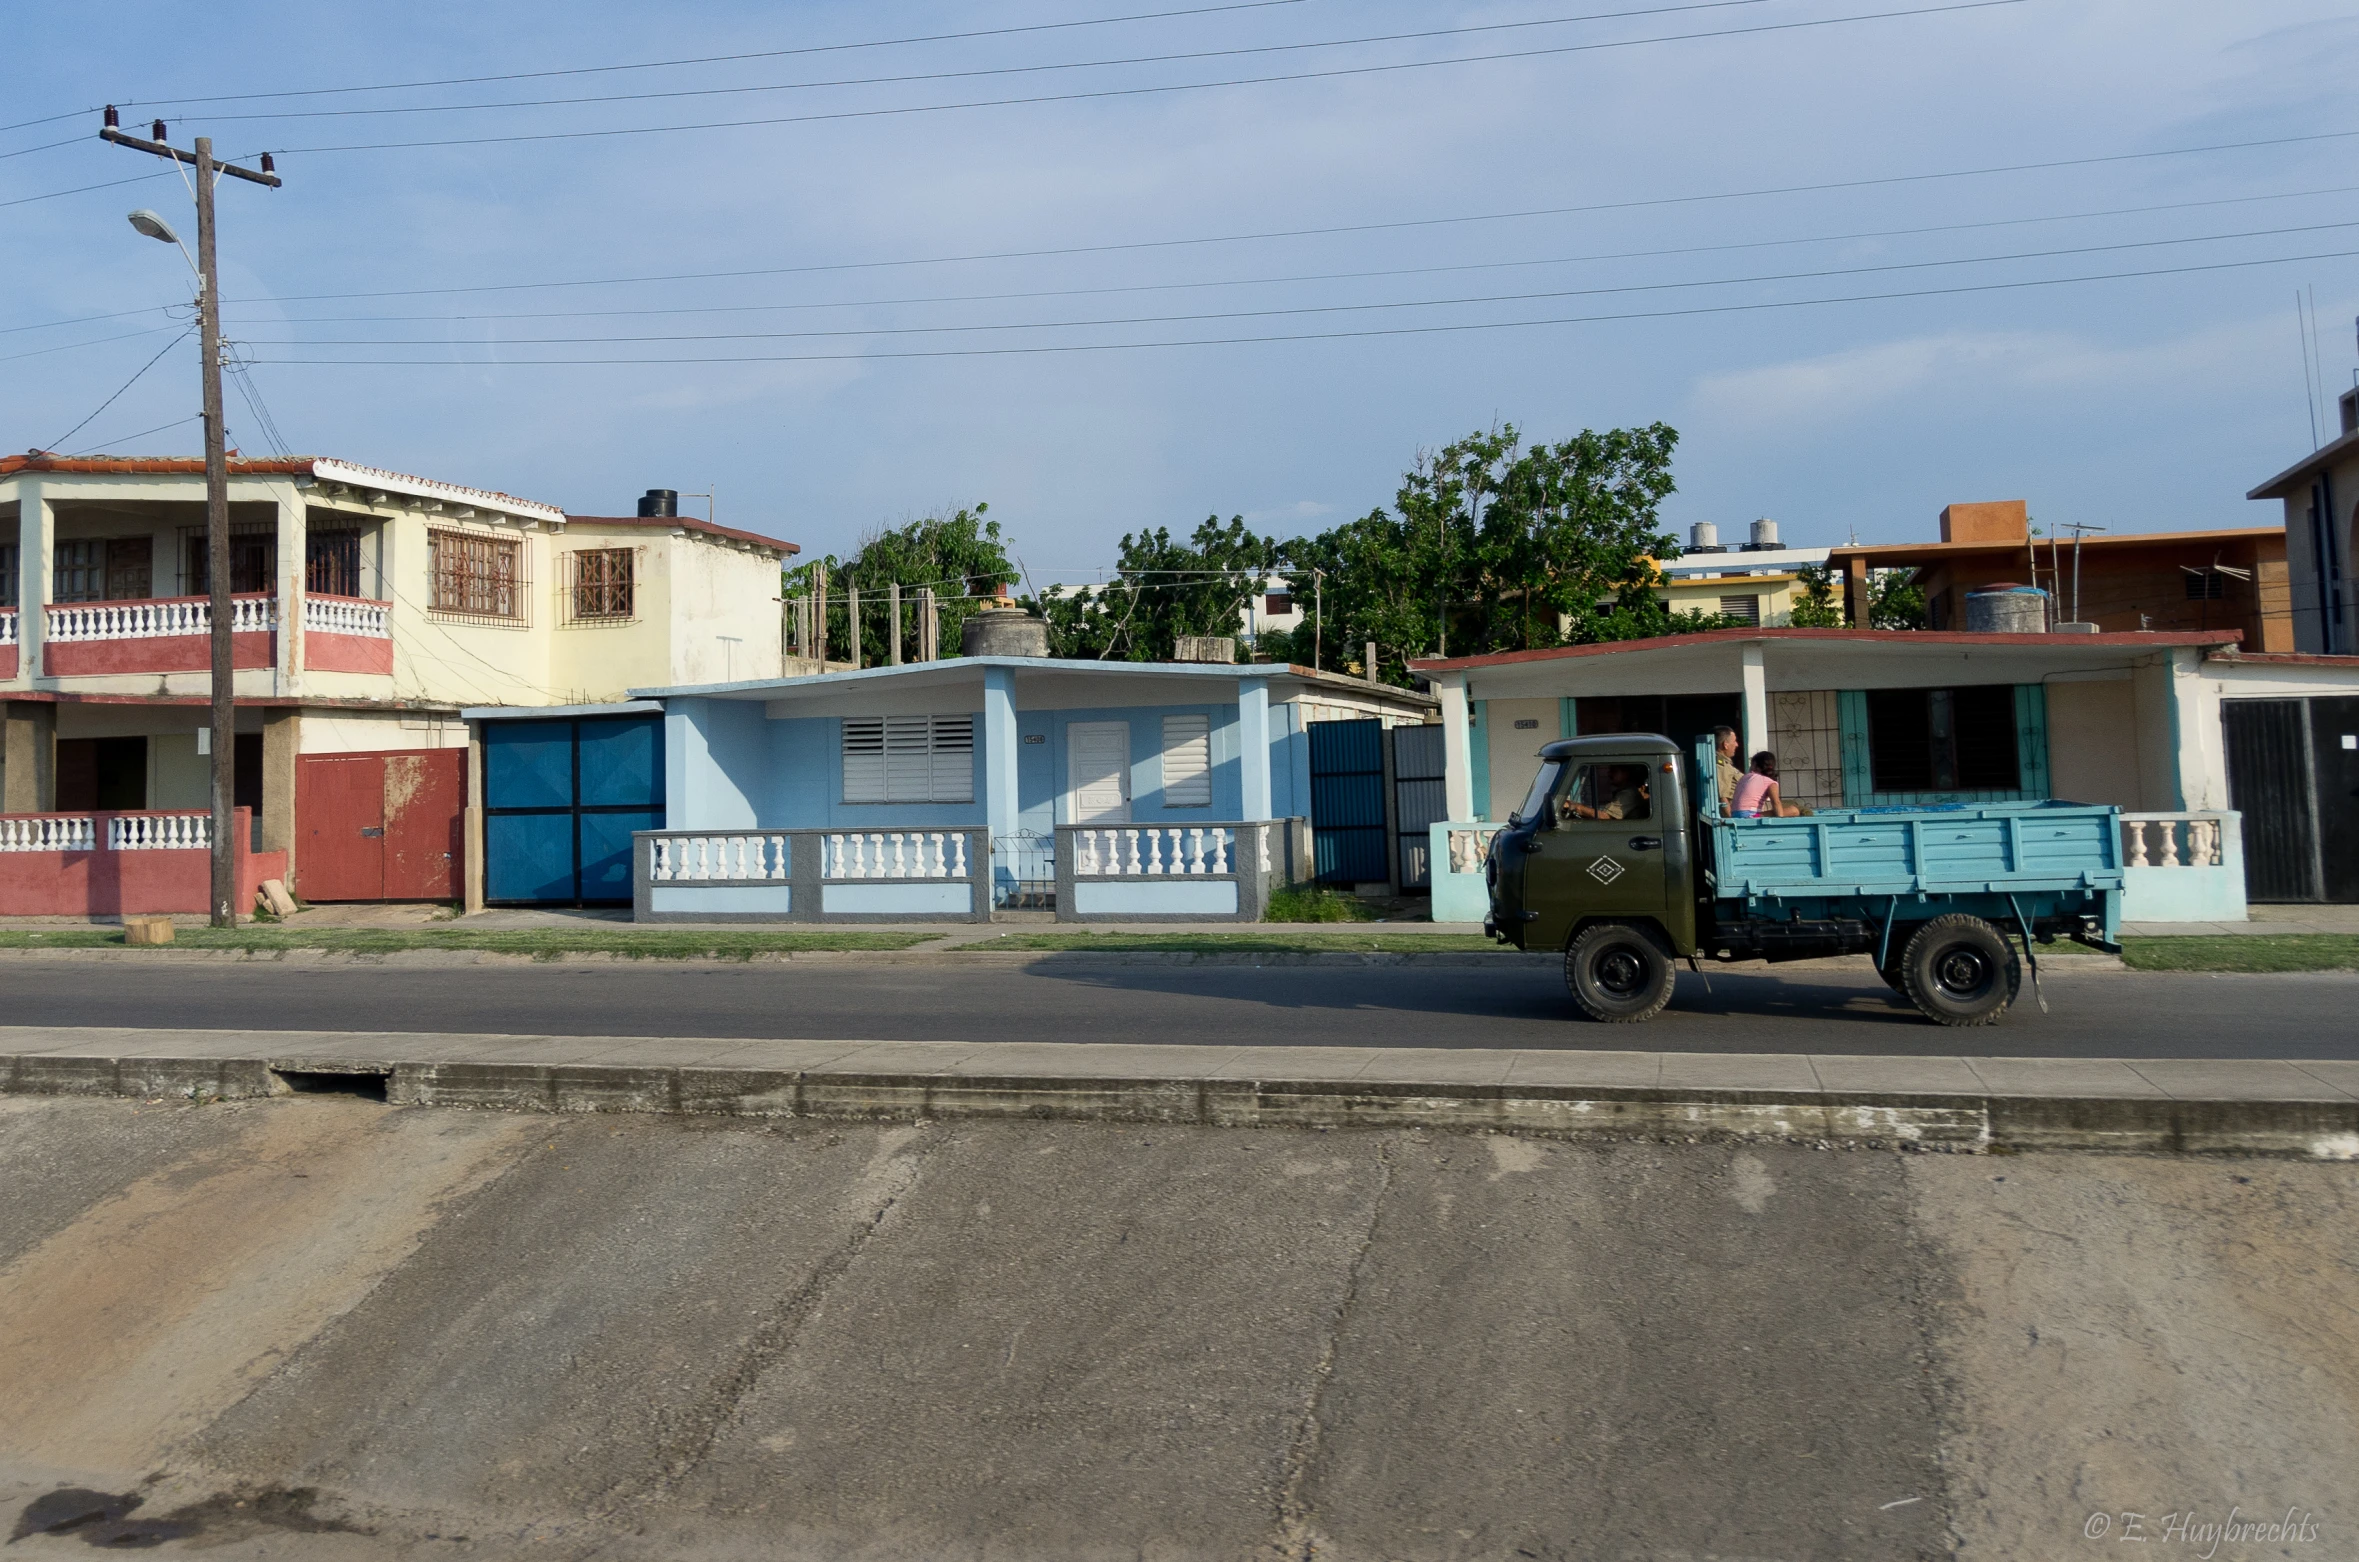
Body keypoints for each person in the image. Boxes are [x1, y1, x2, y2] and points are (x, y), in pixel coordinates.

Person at [1730, 752, 1804, 818]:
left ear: (1755, 765)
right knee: (1794, 810)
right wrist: (1780, 816)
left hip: (1734, 814)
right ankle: (1756, 816)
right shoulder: (1770, 782)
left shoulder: (1745, 777)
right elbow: (1776, 803)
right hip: (1750, 814)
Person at [1712, 725, 1743, 814]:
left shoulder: (1726, 764)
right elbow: (1723, 797)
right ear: (1725, 745)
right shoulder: (1722, 766)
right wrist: (1731, 821)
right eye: (1734, 741)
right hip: (1737, 815)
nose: (1737, 744)